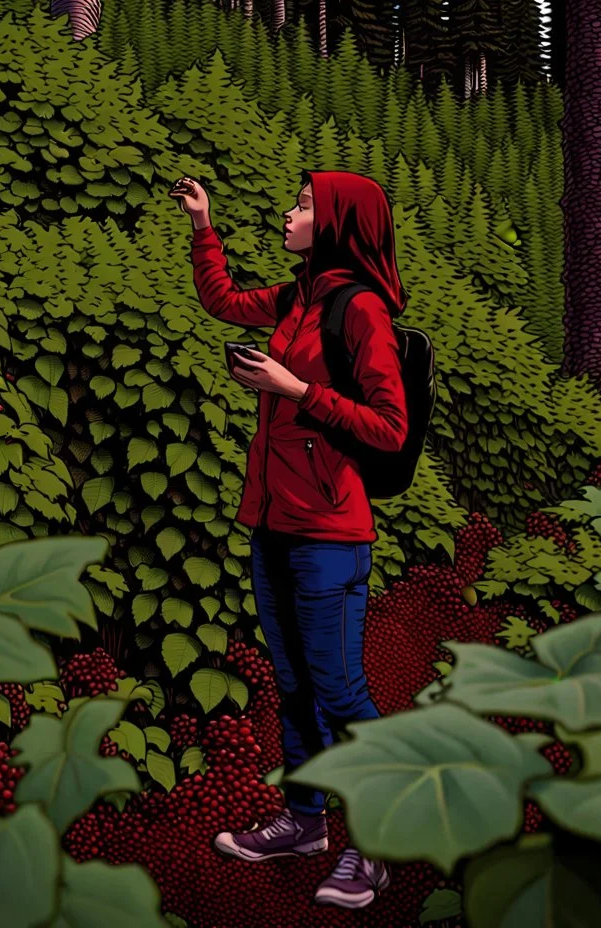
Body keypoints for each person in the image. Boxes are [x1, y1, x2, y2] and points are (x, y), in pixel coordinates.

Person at [169, 170, 409, 911]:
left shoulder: (359, 310)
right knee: (297, 686)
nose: (289, 212)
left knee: (341, 691)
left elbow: (390, 428)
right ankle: (306, 824)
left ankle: (376, 848)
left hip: (331, 535)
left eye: (304, 206)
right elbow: (222, 302)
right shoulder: (299, 295)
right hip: (272, 523)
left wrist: (295, 389)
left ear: (337, 223)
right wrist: (203, 224)